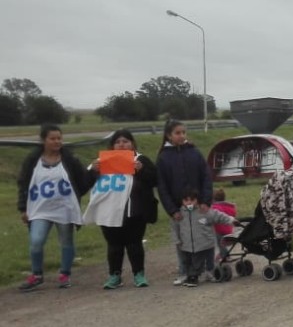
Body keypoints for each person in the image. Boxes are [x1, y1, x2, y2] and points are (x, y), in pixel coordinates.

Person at [16, 124, 95, 291]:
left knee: (66, 241)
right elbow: (23, 184)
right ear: (43, 140)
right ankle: (36, 274)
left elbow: (82, 182)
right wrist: (23, 208)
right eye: (52, 138)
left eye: (59, 138)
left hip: (64, 209)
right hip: (39, 208)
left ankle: (64, 273)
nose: (57, 141)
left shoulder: (70, 159)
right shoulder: (32, 160)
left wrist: (94, 172)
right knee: (36, 241)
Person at [83, 129, 159, 289]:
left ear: (132, 143)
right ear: (112, 145)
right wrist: (92, 171)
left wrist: (142, 170)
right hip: (108, 211)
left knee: (134, 244)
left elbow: (154, 179)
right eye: (118, 142)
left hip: (134, 211)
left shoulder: (141, 159)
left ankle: (139, 274)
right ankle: (114, 275)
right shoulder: (100, 161)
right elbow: (84, 183)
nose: (122, 144)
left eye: (125, 141)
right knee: (114, 245)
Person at [156, 120, 212, 285]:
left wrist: (205, 201)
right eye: (177, 133)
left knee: (205, 237)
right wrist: (172, 210)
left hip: (199, 207)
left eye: (183, 132)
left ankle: (206, 269)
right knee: (182, 241)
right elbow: (162, 187)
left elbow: (206, 177)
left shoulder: (194, 152)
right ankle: (184, 271)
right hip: (178, 209)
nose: (181, 136)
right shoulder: (163, 158)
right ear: (169, 135)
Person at [171, 188, 238, 287]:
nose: (189, 203)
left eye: (192, 200)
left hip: (207, 243)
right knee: (193, 262)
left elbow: (218, 216)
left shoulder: (204, 211)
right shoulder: (180, 214)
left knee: (210, 261)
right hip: (189, 245)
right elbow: (175, 228)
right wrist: (177, 240)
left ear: (197, 200)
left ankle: (210, 273)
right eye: (186, 200)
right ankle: (193, 276)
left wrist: (231, 220)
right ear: (182, 201)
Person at [210, 188, 237, 263]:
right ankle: (223, 254)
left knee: (220, 242)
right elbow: (233, 214)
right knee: (222, 243)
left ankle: (225, 255)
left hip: (219, 229)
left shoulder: (214, 207)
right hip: (229, 229)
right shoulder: (229, 206)